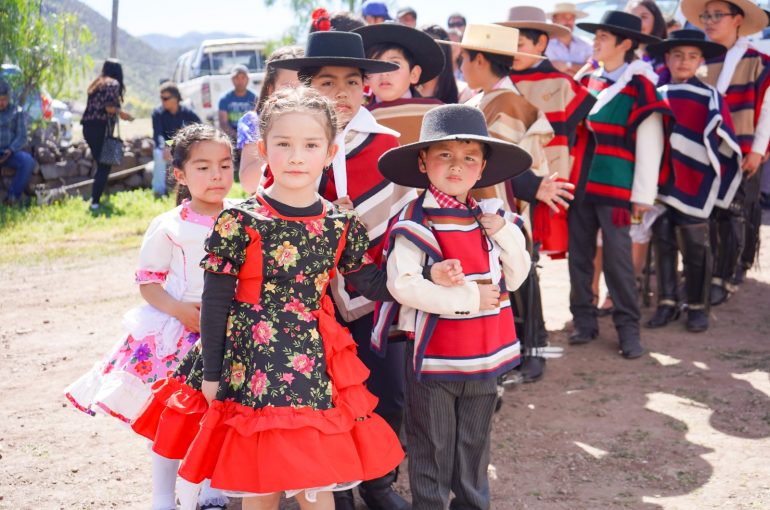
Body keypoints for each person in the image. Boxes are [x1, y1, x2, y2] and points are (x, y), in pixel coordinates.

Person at [132, 86, 460, 510]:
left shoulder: (340, 223)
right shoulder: (238, 219)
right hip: (248, 365)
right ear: (264, 149)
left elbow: (371, 282)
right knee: (259, 485)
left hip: (309, 364)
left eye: (310, 145)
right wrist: (212, 374)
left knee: (315, 480)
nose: (296, 156)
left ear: (330, 151)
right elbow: (216, 304)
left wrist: (427, 275)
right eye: (283, 144)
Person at [270, 31, 416, 510]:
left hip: (380, 295)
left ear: (366, 87)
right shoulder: (297, 147)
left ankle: (379, 482)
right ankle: (339, 485)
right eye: (327, 82)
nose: (341, 93)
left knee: (386, 394)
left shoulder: (390, 148)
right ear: (306, 88)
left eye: (352, 82)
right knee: (326, 398)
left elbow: (405, 220)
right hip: (314, 302)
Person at [66, 123, 235, 510]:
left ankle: (210, 489)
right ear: (180, 174)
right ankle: (163, 496)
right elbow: (148, 283)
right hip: (180, 332)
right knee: (173, 419)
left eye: (225, 166)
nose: (216, 176)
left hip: (228, 332)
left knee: (218, 413)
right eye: (204, 167)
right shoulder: (169, 226)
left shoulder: (243, 218)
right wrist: (180, 311)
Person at [372, 103, 532, 510]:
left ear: (482, 170)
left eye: (468, 158)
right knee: (432, 446)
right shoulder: (414, 220)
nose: (456, 166)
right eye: (445, 154)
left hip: (485, 353)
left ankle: (473, 505)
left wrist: (508, 235)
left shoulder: (491, 217)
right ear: (423, 161)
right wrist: (467, 299)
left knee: (475, 444)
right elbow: (402, 285)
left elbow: (515, 278)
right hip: (435, 359)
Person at [501, 6, 596, 381]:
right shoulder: (498, 83)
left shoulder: (561, 84)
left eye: (521, 42)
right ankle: (511, 345)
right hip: (504, 186)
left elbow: (585, 138)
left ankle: (536, 346)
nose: (513, 50)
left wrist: (570, 185)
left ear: (542, 42)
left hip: (543, 186)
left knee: (527, 265)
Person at [568, 11, 668, 358]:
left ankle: (628, 329)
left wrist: (642, 195)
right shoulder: (588, 80)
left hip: (618, 187)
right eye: (595, 36)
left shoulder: (642, 86)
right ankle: (584, 320)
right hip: (580, 183)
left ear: (625, 44)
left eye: (603, 37)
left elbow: (650, 143)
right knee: (579, 256)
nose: (595, 42)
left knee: (618, 260)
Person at [645, 29, 742, 332]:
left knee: (695, 244)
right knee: (662, 236)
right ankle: (667, 302)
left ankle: (698, 307)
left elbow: (727, 143)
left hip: (696, 182)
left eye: (691, 56)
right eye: (677, 55)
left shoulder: (710, 96)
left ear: (700, 60)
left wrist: (720, 185)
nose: (684, 62)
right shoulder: (658, 95)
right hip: (663, 181)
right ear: (667, 59)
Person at [681, 0, 770, 305]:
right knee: (702, 212)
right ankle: (700, 273)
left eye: (718, 15)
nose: (710, 20)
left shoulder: (759, 60)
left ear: (737, 20)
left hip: (741, 150)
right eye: (707, 15)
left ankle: (725, 275)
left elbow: (768, 109)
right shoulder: (698, 61)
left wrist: (758, 149)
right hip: (702, 151)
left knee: (733, 215)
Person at [355, 22, 445, 144]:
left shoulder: (437, 115)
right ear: (366, 76)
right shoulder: (358, 120)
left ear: (414, 74)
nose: (384, 73)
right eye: (376, 65)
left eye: (395, 64)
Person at [237, 46, 303, 194]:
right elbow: (249, 183)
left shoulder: (321, 123)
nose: (297, 94)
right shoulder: (253, 122)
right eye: (288, 87)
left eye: (304, 86)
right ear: (271, 89)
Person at [81, 58, 134, 210]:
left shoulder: (97, 82)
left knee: (101, 164)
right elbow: (109, 107)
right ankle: (95, 203)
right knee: (104, 165)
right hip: (100, 128)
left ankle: (97, 198)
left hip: (88, 127)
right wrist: (124, 115)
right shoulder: (113, 84)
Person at [150, 81, 200, 196]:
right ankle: (158, 191)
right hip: (167, 146)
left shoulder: (188, 113)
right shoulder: (158, 113)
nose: (162, 101)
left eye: (166, 98)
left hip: (185, 144)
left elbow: (200, 128)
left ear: (175, 98)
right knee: (158, 153)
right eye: (161, 98)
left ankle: (194, 189)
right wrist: (166, 147)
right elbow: (158, 135)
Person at [0, 79, 34, 207]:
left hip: (10, 152)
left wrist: (11, 149)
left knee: (27, 161)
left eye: (4, 99)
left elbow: (22, 136)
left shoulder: (16, 112)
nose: (1, 102)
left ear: (8, 98)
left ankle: (12, 197)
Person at [546, 3, 594, 75]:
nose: (568, 21)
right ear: (554, 20)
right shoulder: (545, 45)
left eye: (572, 17)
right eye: (564, 17)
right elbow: (547, 71)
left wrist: (567, 65)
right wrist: (580, 69)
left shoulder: (586, 43)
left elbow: (592, 68)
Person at [418, 25, 460, 104]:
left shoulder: (462, 93)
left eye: (433, 48)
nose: (426, 54)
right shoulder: (404, 91)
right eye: (421, 47)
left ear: (445, 53)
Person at [218, 64, 257, 142]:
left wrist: (247, 137)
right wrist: (236, 136)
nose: (240, 81)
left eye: (243, 77)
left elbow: (257, 122)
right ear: (232, 79)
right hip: (232, 139)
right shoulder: (224, 99)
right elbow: (223, 123)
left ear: (248, 79)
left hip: (251, 138)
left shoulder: (255, 98)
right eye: (236, 78)